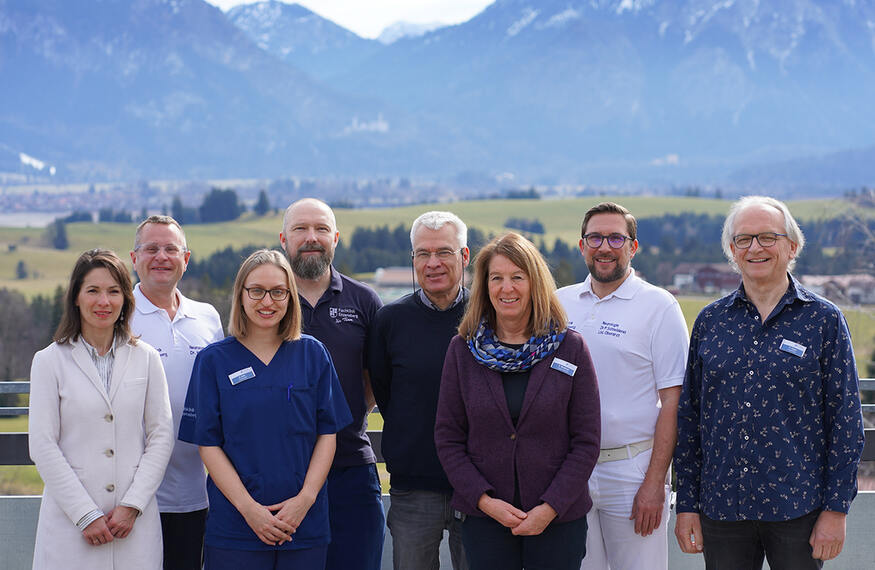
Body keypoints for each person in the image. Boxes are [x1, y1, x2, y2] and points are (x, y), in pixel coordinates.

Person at [674, 196, 865, 569]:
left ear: (792, 246)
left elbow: (846, 420)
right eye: (743, 239)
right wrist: (687, 505)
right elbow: (690, 418)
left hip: (799, 508)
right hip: (722, 509)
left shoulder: (823, 321)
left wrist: (836, 509)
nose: (755, 248)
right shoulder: (711, 322)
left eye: (767, 237)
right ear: (732, 250)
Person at [435, 232, 601, 570]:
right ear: (485, 285)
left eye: (517, 277)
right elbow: (448, 438)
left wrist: (549, 508)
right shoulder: (462, 351)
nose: (506, 288)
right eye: (497, 278)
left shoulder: (570, 347)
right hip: (485, 520)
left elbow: (586, 441)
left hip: (558, 518)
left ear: (535, 282)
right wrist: (485, 502)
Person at [179, 249, 352, 570]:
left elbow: (327, 433)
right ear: (241, 295)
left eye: (278, 292)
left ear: (290, 297)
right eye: (256, 291)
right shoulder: (213, 361)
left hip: (303, 524)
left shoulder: (312, 354)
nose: (267, 302)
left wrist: (306, 500)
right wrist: (249, 509)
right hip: (236, 525)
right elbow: (208, 443)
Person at [555, 202, 688, 570]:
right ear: (582, 246)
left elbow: (674, 402)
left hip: (632, 470)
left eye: (616, 237)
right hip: (569, 470)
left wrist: (654, 482)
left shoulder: (659, 306)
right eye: (595, 237)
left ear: (633, 246)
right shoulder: (559, 304)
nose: (605, 247)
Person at [28, 248, 174, 569]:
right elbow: (42, 444)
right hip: (71, 525)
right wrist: (85, 514)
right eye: (92, 291)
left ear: (125, 299)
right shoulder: (49, 361)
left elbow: (161, 437)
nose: (103, 302)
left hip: (133, 525)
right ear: (76, 298)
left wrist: (132, 505)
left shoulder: (146, 358)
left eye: (113, 291)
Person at [279, 198, 385, 570]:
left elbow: (372, 380)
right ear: (283, 239)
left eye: (321, 229)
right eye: (301, 229)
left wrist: (345, 414)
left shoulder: (364, 301)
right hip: (280, 474)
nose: (312, 238)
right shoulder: (265, 301)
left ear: (335, 238)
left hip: (350, 469)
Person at [369, 210, 471, 570]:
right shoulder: (390, 321)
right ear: (412, 259)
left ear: (464, 256)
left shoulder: (488, 317)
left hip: (479, 488)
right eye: (422, 254)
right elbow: (385, 392)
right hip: (413, 488)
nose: (432, 263)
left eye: (443, 252)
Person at [130, 215, 224, 570]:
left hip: (201, 493)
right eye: (151, 248)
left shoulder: (208, 317)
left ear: (186, 259)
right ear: (134, 258)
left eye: (171, 249)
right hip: (137, 497)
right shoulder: (118, 317)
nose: (161, 256)